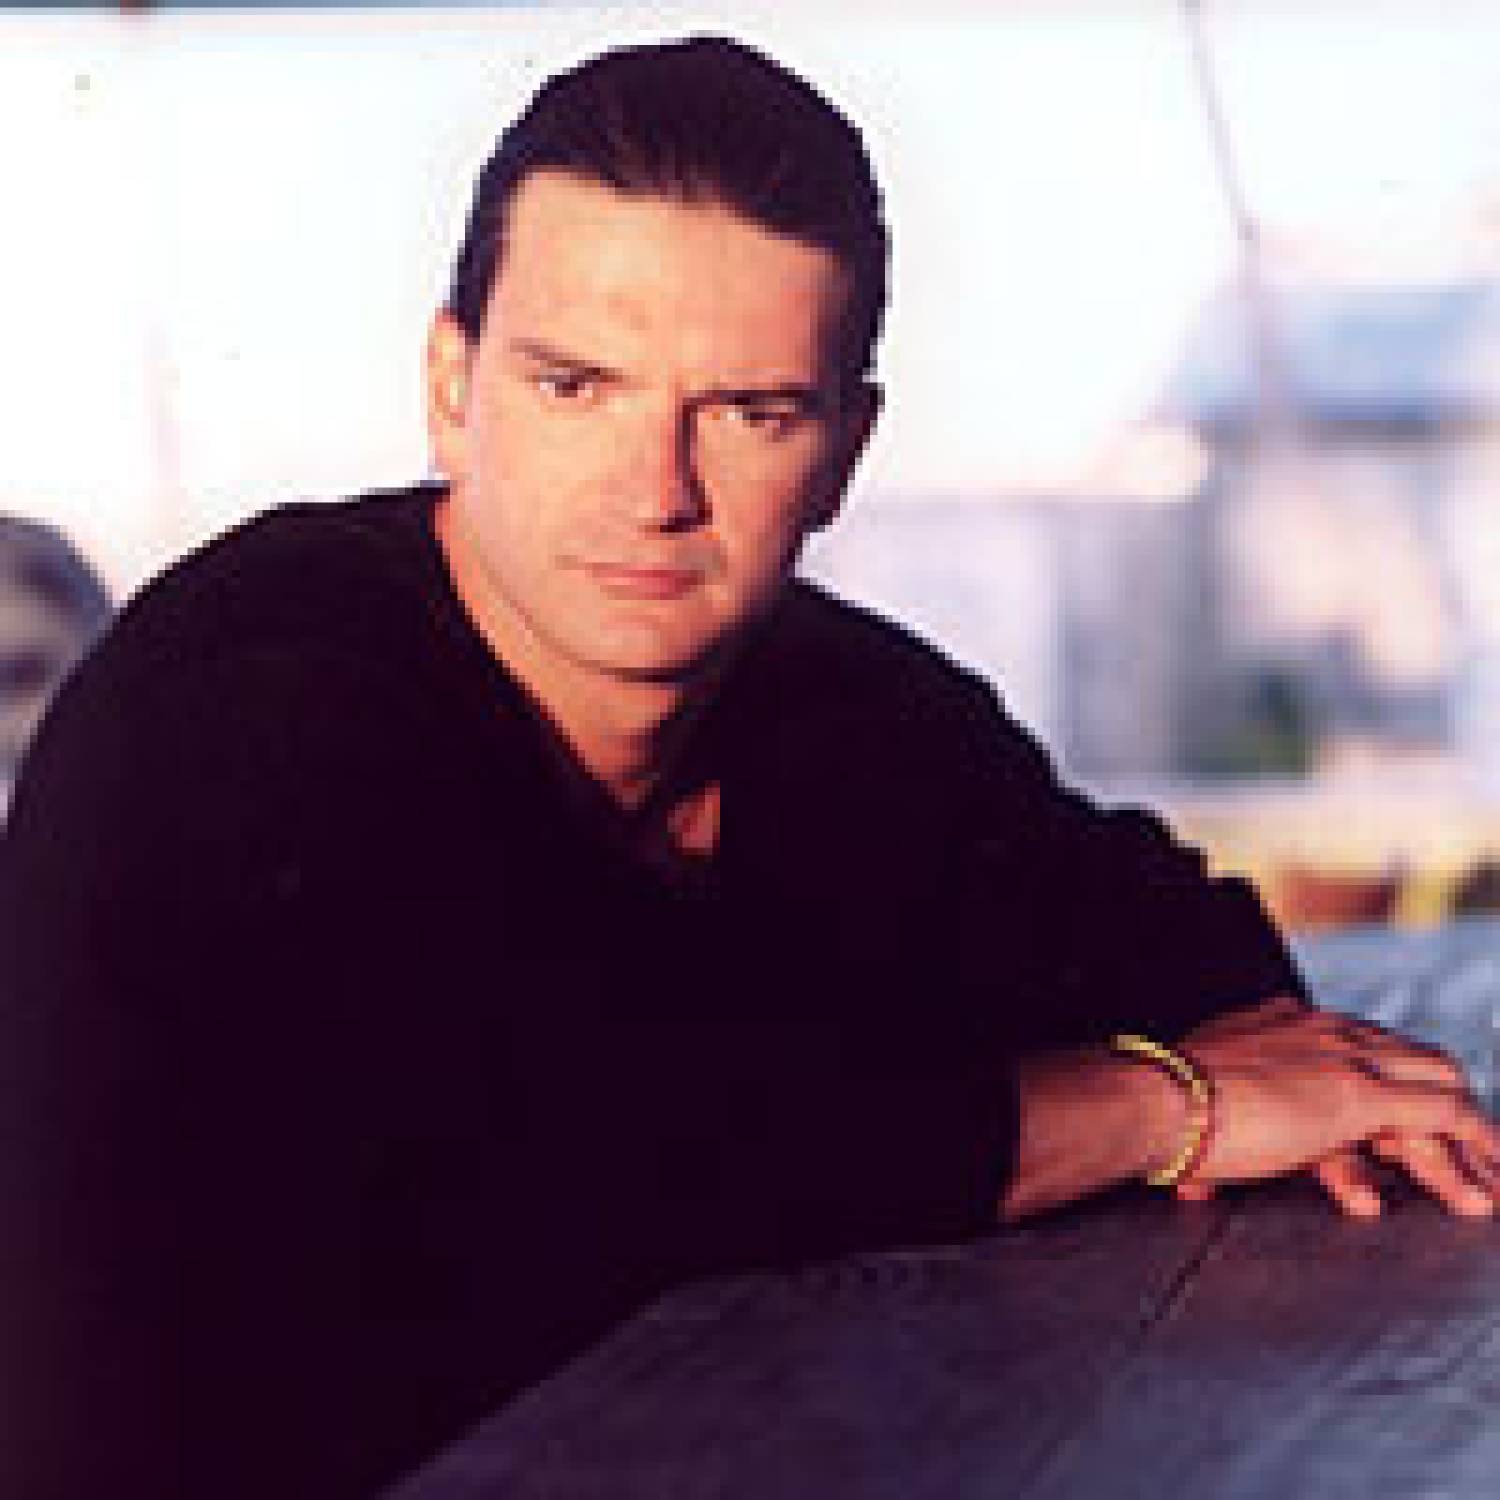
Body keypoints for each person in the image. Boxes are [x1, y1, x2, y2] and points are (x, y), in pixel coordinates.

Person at [2, 35, 1496, 1500]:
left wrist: (1251, 1087)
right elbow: (589, 1153)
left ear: (843, 448)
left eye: (749, 414)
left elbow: (1171, 941)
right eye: (576, 387)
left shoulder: (836, 702)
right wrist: (1160, 1108)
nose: (656, 493)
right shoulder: (239, 707)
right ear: (452, 386)